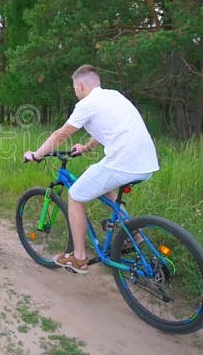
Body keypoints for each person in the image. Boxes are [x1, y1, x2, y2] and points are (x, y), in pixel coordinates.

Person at [23, 64, 159, 274]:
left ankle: (78, 259)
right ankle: (135, 235)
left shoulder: (87, 104)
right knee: (107, 189)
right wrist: (86, 147)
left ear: (81, 85)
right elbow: (106, 127)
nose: (75, 92)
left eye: (74, 88)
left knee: (76, 195)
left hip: (123, 162)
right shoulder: (113, 96)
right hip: (146, 162)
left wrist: (36, 154)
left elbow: (61, 135)